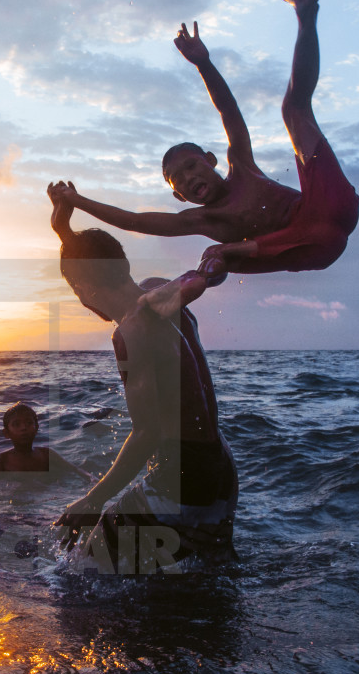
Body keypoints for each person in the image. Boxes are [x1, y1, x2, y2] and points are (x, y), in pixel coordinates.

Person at [49, 0, 358, 316]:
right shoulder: (200, 219)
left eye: (192, 166)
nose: (188, 177)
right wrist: (76, 201)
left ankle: (305, 10)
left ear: (211, 161)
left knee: (294, 111)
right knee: (218, 253)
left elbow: (228, 111)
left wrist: (204, 64)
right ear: (180, 197)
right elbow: (134, 221)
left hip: (329, 208)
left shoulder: (242, 165)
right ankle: (191, 286)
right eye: (177, 180)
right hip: (307, 249)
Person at [48, 185, 238, 574]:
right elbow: (94, 262)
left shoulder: (128, 334)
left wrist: (91, 500)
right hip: (219, 467)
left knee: (81, 573)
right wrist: (64, 230)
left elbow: (146, 433)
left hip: (180, 474)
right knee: (207, 579)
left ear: (82, 289)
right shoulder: (158, 291)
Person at [0, 402, 92, 479]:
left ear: (36, 428)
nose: (23, 428)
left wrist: (92, 479)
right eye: (16, 424)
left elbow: (74, 470)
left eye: (28, 422)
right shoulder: (1, 461)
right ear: (6, 433)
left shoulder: (46, 454)